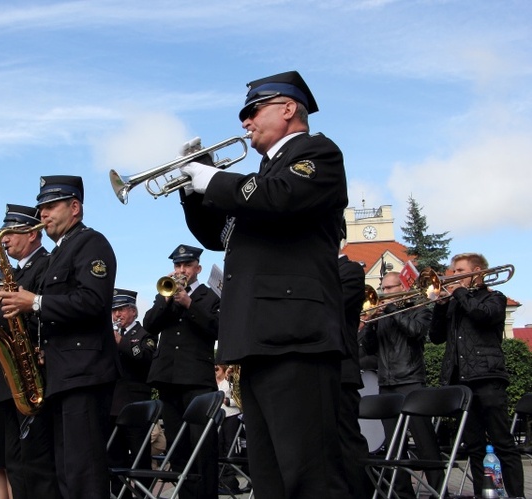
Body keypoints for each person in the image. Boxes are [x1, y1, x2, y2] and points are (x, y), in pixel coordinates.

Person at [178, 70, 350, 498]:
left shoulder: (317, 152)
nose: (245, 122)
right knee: (270, 475)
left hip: (296, 336)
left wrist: (214, 180)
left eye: (253, 111)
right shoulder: (260, 179)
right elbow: (218, 236)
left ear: (288, 108)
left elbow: (282, 196)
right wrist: (193, 190)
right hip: (258, 337)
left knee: (310, 476)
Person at [0, 175, 119, 498]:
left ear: (75, 207)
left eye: (51, 207)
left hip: (85, 374)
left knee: (85, 476)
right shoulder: (58, 254)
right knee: (66, 474)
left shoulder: (91, 243)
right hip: (62, 375)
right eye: (41, 209)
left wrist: (34, 302)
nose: (43, 215)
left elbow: (92, 302)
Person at [0, 203, 58, 499]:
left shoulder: (46, 264)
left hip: (34, 377)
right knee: (16, 462)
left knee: (35, 464)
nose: (5, 240)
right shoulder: (17, 273)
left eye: (11, 233)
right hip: (15, 380)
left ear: (32, 234)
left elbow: (43, 316)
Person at [429, 252, 526, 497]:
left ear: (478, 273)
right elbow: (436, 337)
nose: (452, 276)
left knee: (503, 443)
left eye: (459, 272)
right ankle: (484, 494)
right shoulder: (454, 303)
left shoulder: (495, 298)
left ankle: (516, 495)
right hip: (462, 383)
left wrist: (458, 292)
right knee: (474, 446)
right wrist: (440, 307)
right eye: (453, 272)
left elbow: (481, 315)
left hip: (488, 378)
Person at [144, 244, 220, 499]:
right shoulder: (165, 294)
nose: (181, 270)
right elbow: (149, 325)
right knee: (177, 448)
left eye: (186, 266)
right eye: (177, 266)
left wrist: (189, 304)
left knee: (203, 448)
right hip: (168, 378)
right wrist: (166, 302)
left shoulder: (210, 296)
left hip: (197, 379)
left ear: (198, 268)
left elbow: (217, 329)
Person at [361, 270, 443, 496]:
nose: (383, 292)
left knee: (425, 442)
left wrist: (391, 309)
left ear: (403, 288)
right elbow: (368, 348)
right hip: (386, 384)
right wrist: (370, 323)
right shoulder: (383, 315)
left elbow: (415, 331)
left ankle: (439, 490)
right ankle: (402, 493)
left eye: (389, 288)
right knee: (394, 446)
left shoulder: (419, 310)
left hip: (411, 381)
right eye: (383, 288)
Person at [107, 288, 157, 497]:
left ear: (133, 312)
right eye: (114, 310)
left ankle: (144, 495)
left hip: (135, 406)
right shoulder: (108, 336)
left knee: (140, 457)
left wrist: (121, 342)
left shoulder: (144, 334)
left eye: (121, 309)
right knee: (114, 458)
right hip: (111, 406)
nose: (117, 315)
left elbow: (146, 360)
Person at [336, 239, 373, 499]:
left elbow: (329, 306)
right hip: (315, 371)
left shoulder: (350, 270)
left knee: (347, 442)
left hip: (341, 370)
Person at [215, 365, 242, 494]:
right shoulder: (212, 384)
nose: (215, 371)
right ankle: (222, 478)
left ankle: (231, 479)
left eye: (217, 369)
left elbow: (239, 399)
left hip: (231, 416)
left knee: (230, 445)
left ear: (223, 369)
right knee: (219, 446)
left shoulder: (229, 382)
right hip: (217, 418)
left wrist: (228, 401)